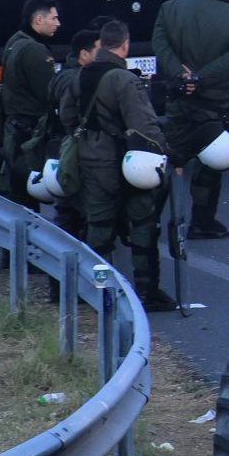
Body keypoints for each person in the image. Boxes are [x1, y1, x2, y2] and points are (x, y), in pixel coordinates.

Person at [63, 20, 175, 312]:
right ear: (124, 45)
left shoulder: (79, 76)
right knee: (142, 224)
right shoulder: (124, 79)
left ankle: (98, 291)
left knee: (98, 227)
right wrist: (164, 151)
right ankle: (147, 291)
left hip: (90, 159)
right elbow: (143, 124)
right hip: (125, 161)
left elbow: (67, 116)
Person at [152, 0, 229, 238]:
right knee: (211, 162)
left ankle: (149, 219)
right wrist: (200, 77)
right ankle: (202, 220)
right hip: (214, 102)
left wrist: (180, 74)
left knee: (166, 158)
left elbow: (160, 43)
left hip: (177, 97)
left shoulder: (172, 8)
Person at [0, 0, 61, 208]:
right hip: (28, 131)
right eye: (53, 18)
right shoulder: (35, 50)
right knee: (25, 190)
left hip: (13, 128)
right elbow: (49, 93)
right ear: (38, 20)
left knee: (14, 185)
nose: (57, 23)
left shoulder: (14, 41)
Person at [47, 27, 101, 243]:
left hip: (65, 152)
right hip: (73, 155)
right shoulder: (75, 80)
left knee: (68, 213)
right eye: (99, 49)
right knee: (74, 214)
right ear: (84, 54)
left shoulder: (63, 76)